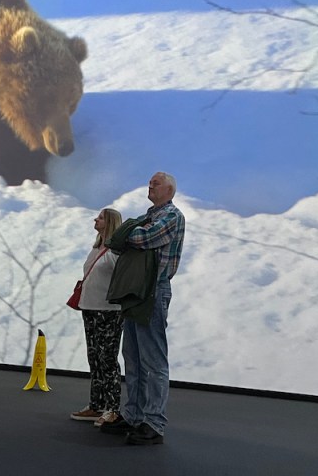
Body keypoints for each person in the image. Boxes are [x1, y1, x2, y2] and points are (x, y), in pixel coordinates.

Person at [100, 172, 185, 446]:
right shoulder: (149, 215)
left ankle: (154, 423)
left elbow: (142, 238)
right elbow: (122, 240)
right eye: (150, 182)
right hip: (137, 292)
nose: (150, 185)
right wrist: (128, 233)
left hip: (153, 291)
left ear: (169, 190)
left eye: (156, 183)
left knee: (153, 360)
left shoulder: (171, 216)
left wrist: (128, 231)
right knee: (133, 357)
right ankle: (134, 415)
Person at [69, 208, 124, 427]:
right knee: (94, 357)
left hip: (109, 310)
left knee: (107, 358)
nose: (96, 219)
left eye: (100, 218)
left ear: (110, 222)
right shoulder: (97, 247)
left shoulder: (116, 251)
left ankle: (112, 408)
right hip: (90, 308)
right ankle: (96, 404)